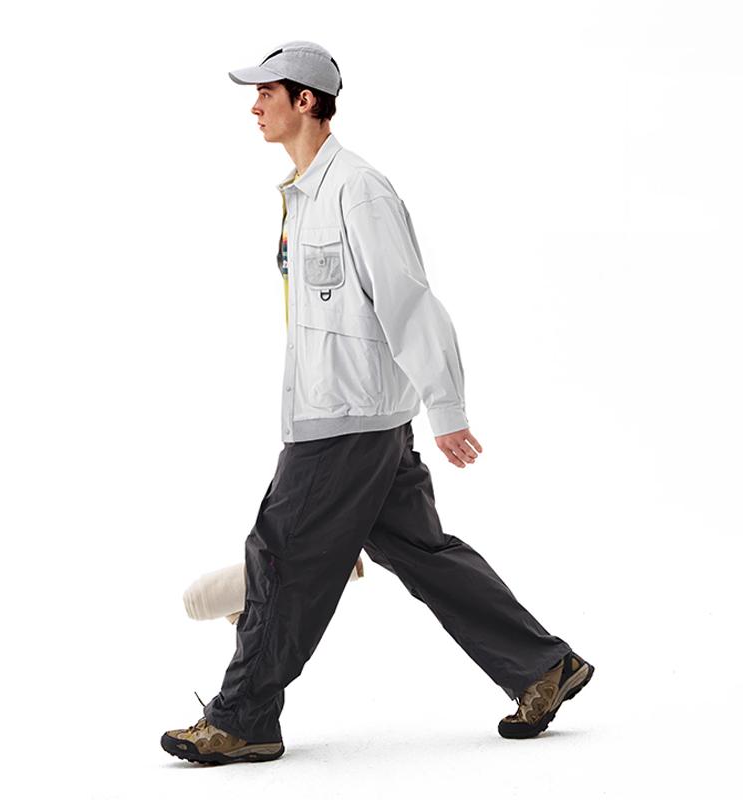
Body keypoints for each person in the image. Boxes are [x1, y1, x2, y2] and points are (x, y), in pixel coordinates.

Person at [161, 40, 594, 766]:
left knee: (279, 556)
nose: (254, 105)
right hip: (353, 415)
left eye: (266, 92)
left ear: (306, 100)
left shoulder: (358, 191)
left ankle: (243, 718)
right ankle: (542, 666)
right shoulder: (304, 194)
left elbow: (407, 301)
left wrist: (446, 409)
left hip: (346, 420)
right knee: (423, 553)